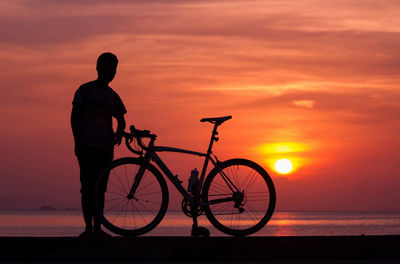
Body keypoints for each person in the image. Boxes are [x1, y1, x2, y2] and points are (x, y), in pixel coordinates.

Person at [71, 52, 126, 238]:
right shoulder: (85, 90)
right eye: (107, 67)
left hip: (105, 148)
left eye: (114, 68)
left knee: (101, 188)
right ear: (98, 67)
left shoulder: (112, 95)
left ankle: (98, 228)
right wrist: (77, 141)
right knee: (87, 186)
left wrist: (119, 132)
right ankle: (88, 228)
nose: (110, 71)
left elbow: (121, 119)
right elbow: (74, 117)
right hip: (87, 146)